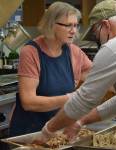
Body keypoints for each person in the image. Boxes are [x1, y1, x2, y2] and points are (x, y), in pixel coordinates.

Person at [39, 0, 116, 145]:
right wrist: (81, 121)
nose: (98, 40)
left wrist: (48, 130)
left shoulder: (115, 47)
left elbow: (83, 100)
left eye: (96, 34)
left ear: (105, 25)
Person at [9, 1, 92, 136]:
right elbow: (28, 102)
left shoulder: (74, 51)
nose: (74, 31)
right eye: (68, 25)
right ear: (51, 24)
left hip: (57, 130)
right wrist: (70, 98)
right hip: (31, 132)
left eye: (76, 25)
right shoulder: (31, 52)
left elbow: (97, 76)